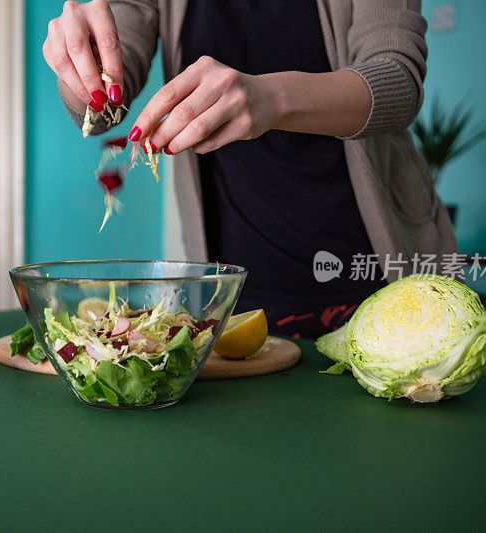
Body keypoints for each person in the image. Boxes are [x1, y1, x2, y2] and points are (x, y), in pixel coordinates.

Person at [43, 0, 457, 337]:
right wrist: (81, 62)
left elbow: (398, 81)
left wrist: (268, 99)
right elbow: (102, 103)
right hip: (236, 291)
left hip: (375, 274)